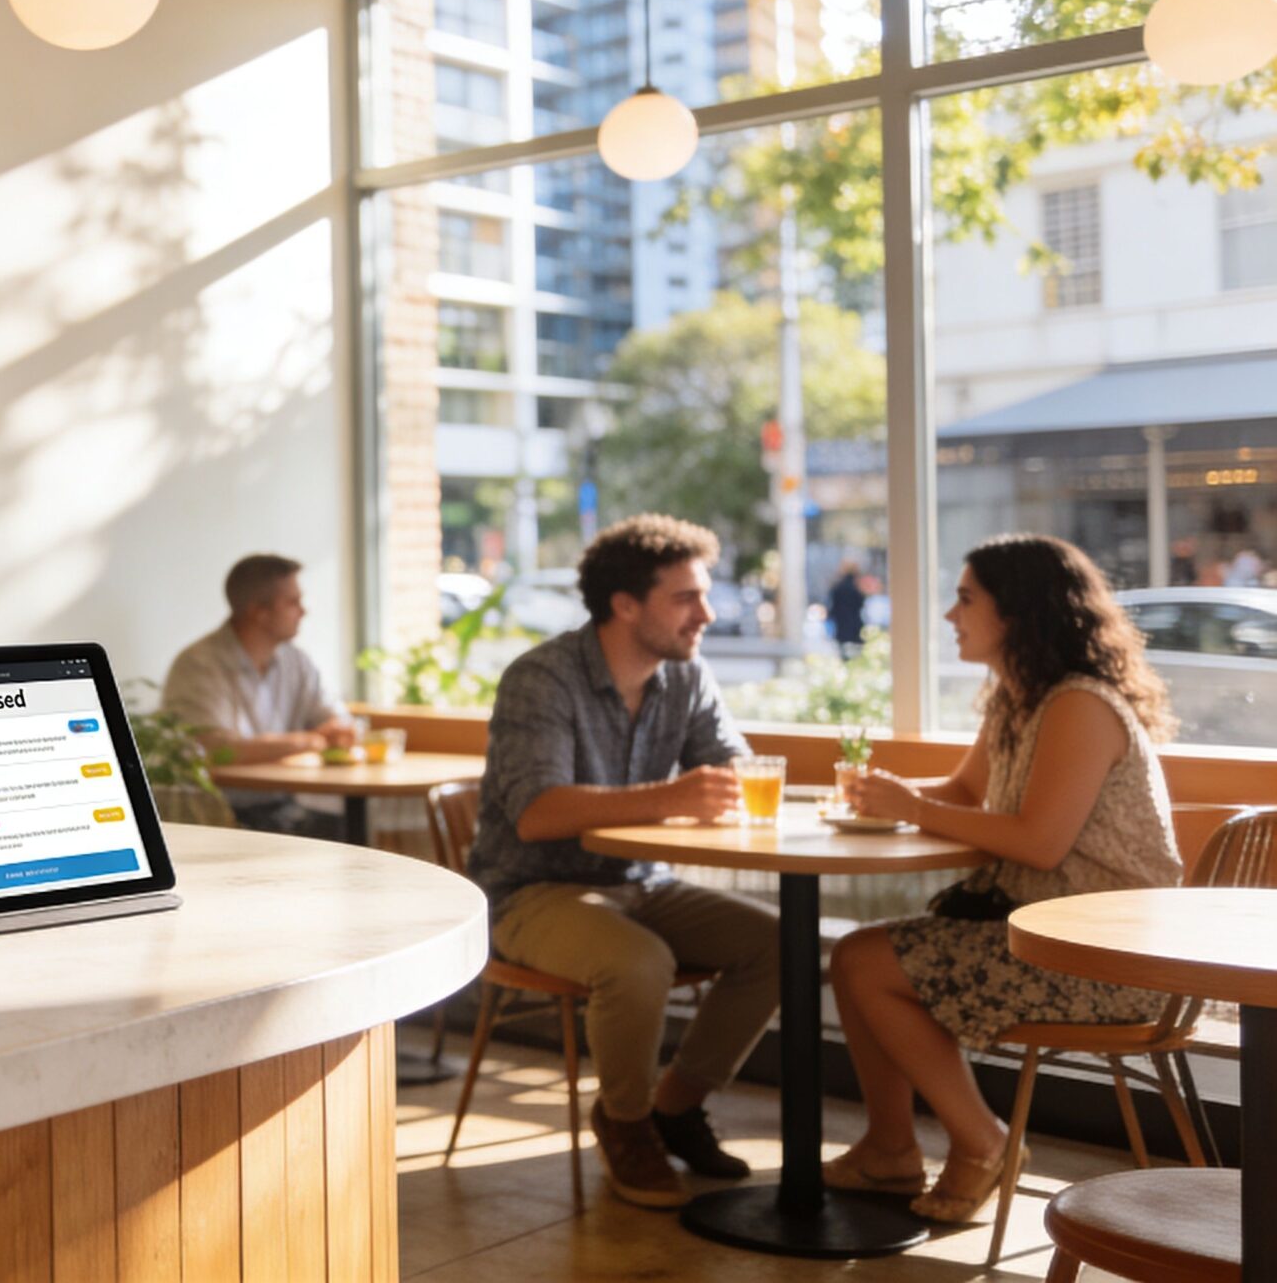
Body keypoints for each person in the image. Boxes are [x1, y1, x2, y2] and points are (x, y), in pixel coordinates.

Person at [825, 535, 1183, 1221]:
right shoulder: (1019, 699)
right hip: (1044, 931)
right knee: (855, 959)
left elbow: (1040, 844)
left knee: (866, 962)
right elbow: (963, 793)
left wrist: (912, 808)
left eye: (965, 599)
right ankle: (890, 1150)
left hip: (1106, 955)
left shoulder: (1080, 704)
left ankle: (982, 1143)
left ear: (1016, 612)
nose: (950, 615)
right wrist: (886, 795)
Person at [469, 514, 781, 1209]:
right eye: (686, 598)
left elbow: (732, 768)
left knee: (781, 943)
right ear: (625, 605)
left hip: (641, 880)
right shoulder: (541, 678)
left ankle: (674, 1106)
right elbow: (538, 812)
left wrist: (725, 783)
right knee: (638, 963)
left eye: (703, 596)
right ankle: (626, 1122)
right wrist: (671, 795)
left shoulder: (686, 675)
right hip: (529, 890)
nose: (706, 613)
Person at [161, 554, 358, 837]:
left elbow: (333, 718)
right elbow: (217, 750)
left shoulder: (296, 661)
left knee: (354, 842)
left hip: (285, 808)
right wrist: (308, 741)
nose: (304, 611)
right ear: (258, 611)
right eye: (292, 602)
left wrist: (339, 731)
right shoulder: (198, 666)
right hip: (220, 820)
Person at [828, 559, 870, 657]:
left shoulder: (837, 587)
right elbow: (861, 605)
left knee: (844, 653)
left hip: (841, 624)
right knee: (857, 654)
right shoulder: (856, 588)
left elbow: (833, 607)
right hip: (854, 625)